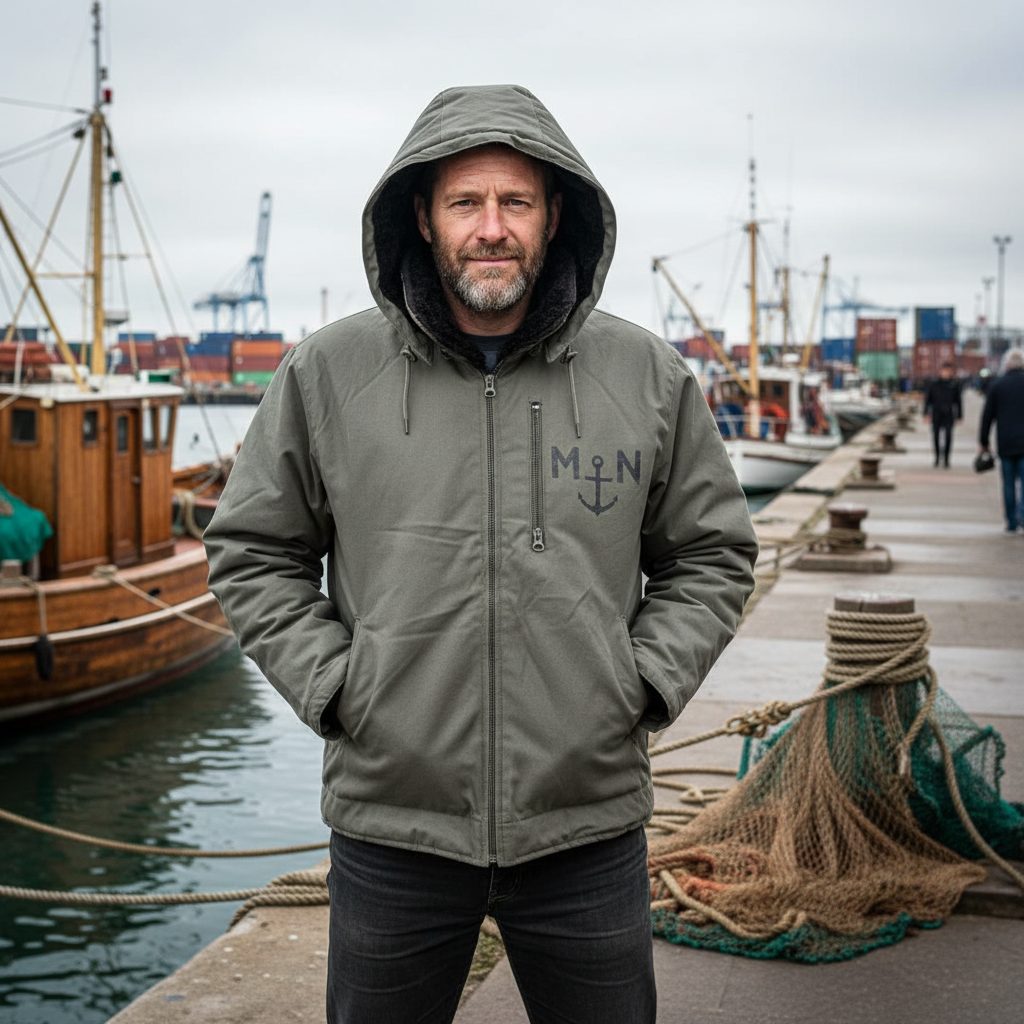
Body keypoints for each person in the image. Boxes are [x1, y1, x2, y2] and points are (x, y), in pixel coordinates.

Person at [203, 84, 758, 1024]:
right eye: (466, 202)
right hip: (395, 824)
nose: (491, 228)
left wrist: (640, 684)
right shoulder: (329, 373)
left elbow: (711, 554)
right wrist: (341, 689)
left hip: (586, 824)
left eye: (516, 202)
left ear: (554, 216)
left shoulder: (647, 376)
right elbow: (254, 549)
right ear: (422, 217)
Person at [979, 348, 1024, 533]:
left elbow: (987, 416)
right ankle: (1023, 516)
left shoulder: (997, 385)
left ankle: (1011, 522)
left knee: (1008, 484)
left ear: (1007, 364)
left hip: (1005, 443)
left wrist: (983, 441)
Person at [923, 361, 962, 467]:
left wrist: (959, 416)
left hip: (949, 414)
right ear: (940, 371)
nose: (946, 373)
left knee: (949, 436)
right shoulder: (934, 384)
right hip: (936, 413)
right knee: (935, 436)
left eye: (948, 371)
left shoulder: (954, 385)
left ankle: (946, 459)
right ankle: (936, 457)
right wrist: (926, 413)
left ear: (951, 372)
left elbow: (958, 401)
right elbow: (928, 400)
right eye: (944, 371)